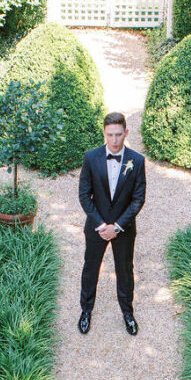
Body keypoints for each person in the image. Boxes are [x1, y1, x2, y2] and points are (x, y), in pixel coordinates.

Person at [77, 113, 146, 337]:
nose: (114, 140)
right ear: (104, 133)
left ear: (126, 133)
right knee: (90, 269)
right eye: (110, 135)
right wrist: (101, 225)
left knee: (125, 270)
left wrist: (117, 226)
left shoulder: (137, 161)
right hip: (97, 226)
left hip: (123, 229)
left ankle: (127, 313)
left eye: (118, 135)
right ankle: (86, 310)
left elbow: (138, 199)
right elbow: (84, 195)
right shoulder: (90, 158)